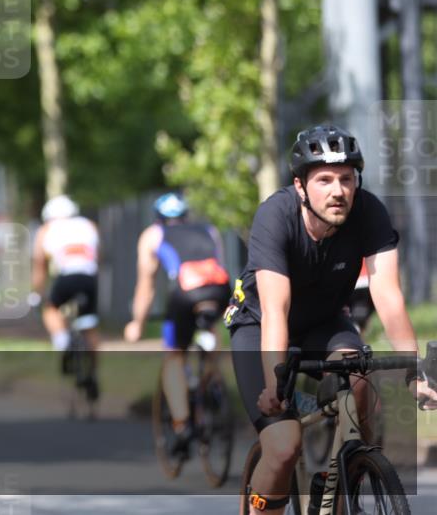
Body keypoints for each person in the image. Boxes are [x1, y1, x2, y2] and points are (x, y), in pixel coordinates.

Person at [223, 124, 437, 514]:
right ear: (301, 186)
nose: (337, 190)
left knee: (359, 383)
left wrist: (415, 371)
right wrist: (275, 383)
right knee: (284, 446)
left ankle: (351, 471)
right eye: (324, 179)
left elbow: (387, 294)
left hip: (325, 323)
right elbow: (276, 309)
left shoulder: (369, 211)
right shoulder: (276, 215)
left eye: (346, 178)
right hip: (261, 325)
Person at [123, 192, 231, 454]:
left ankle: (182, 423)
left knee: (174, 356)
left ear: (158, 218)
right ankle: (211, 379)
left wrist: (137, 323)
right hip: (218, 289)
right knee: (209, 325)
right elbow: (221, 265)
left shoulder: (152, 234)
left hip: (185, 293)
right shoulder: (209, 229)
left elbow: (146, 287)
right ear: (186, 216)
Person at [32, 194, 101, 398]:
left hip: (66, 278)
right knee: (90, 325)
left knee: (50, 308)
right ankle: (93, 373)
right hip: (89, 278)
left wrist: (38, 293)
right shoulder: (89, 225)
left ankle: (62, 342)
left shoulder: (46, 230)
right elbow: (99, 255)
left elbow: (39, 267)